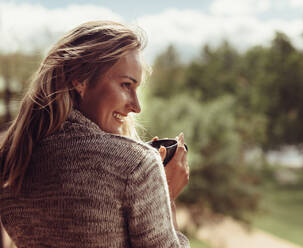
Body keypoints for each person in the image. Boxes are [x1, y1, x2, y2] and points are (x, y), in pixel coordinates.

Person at [0, 21, 190, 248]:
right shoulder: (135, 165)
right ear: (79, 79)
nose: (136, 106)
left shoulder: (11, 161)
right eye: (126, 85)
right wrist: (164, 200)